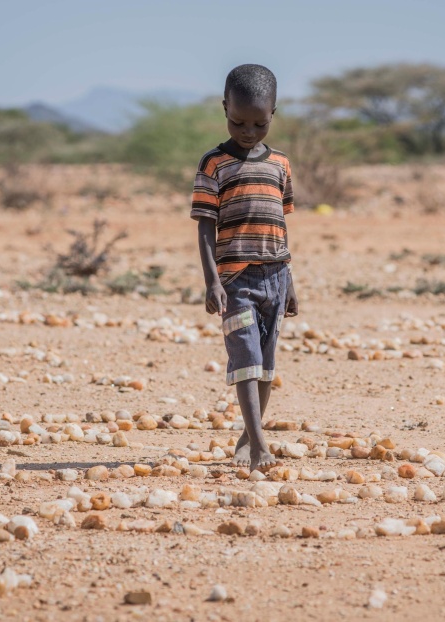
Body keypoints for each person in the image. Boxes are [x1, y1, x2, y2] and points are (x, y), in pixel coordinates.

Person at [191, 64, 298, 472]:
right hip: (235, 280)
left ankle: (247, 437)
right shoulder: (214, 164)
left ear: (274, 112)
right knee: (246, 360)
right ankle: (258, 447)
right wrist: (211, 281)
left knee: (266, 366)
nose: (248, 131)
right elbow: (205, 226)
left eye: (259, 123)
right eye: (238, 122)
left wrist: (290, 281)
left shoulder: (281, 165)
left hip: (275, 276)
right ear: (224, 109)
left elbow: (280, 227)